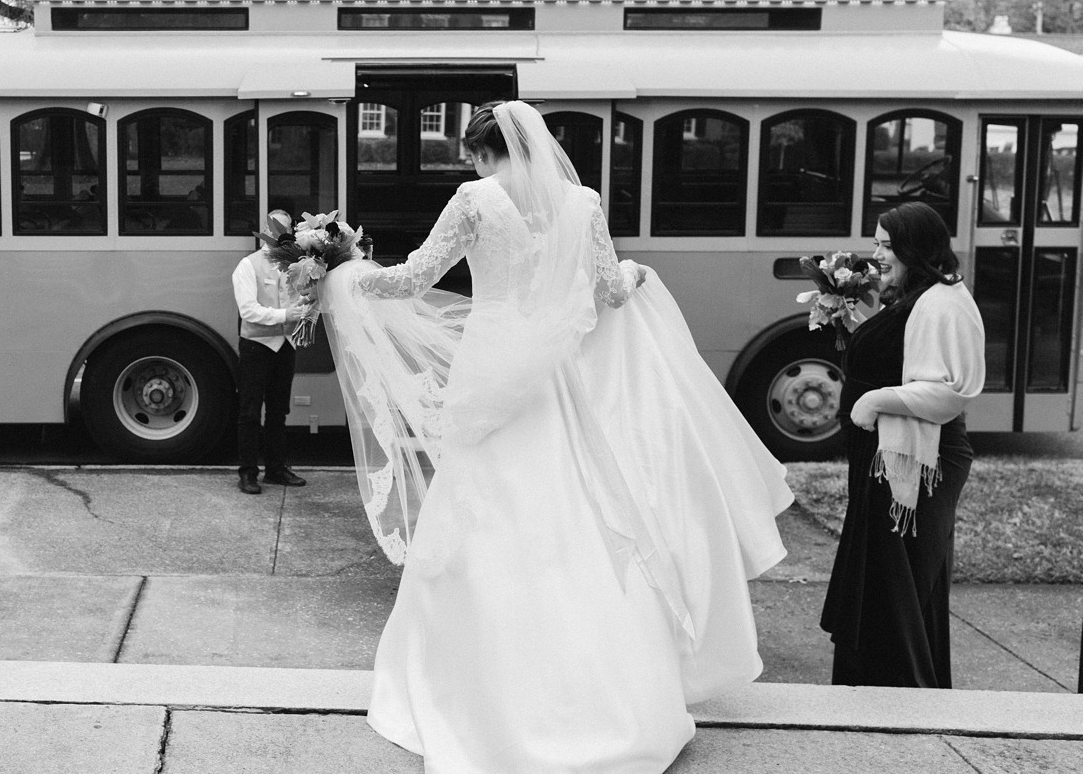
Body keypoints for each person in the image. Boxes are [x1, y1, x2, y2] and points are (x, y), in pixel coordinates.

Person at [320, 101, 793, 772]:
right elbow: (609, 292)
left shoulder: (475, 200)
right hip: (557, 381)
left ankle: (479, 691)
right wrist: (636, 275)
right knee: (575, 510)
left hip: (489, 368)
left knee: (481, 514)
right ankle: (604, 695)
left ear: (482, 152)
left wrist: (345, 272)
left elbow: (412, 279)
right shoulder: (583, 202)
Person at [820, 202, 985, 687]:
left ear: (916, 249)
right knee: (887, 586)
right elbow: (901, 357)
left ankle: (901, 698)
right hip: (887, 461)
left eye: (887, 246)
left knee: (898, 589)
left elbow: (947, 392)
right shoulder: (920, 297)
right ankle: (877, 693)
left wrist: (871, 400)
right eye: (875, 243)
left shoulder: (943, 304)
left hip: (913, 463)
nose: (876, 255)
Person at [231, 210, 313, 495]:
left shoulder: (295, 264)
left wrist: (308, 303)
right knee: (250, 412)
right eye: (276, 226)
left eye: (287, 227)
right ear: (266, 228)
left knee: (279, 412)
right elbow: (248, 311)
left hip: (285, 346)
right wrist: (285, 314)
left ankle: (276, 470)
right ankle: (248, 474)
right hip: (256, 347)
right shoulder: (247, 265)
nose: (282, 231)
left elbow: (299, 299)